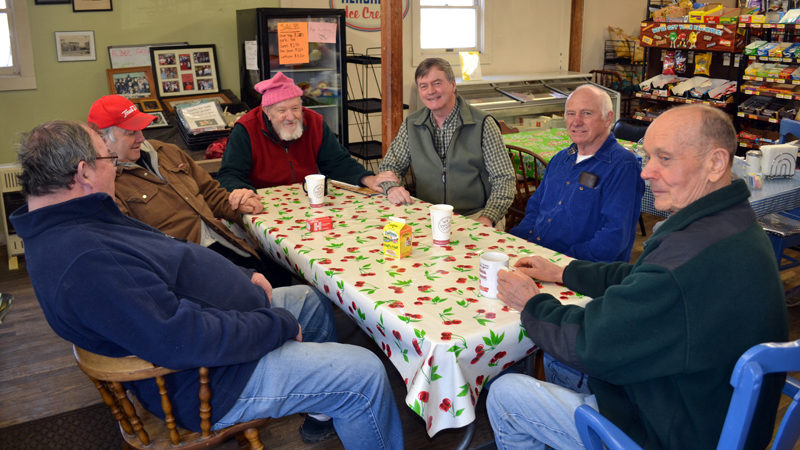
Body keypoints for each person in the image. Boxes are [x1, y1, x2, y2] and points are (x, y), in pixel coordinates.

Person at [10, 120, 404, 448]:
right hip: (210, 378)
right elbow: (181, 338)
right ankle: (342, 395)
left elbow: (170, 257)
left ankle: (322, 408)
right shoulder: (86, 259)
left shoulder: (76, 220)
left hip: (219, 332)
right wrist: (277, 325)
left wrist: (241, 277)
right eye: (108, 158)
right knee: (363, 373)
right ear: (82, 173)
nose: (115, 166)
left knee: (308, 299)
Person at [487, 105, 789, 449]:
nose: (646, 172)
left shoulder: (685, 260)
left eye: (665, 158)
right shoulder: (729, 222)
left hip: (669, 430)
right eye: (647, 157)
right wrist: (564, 271)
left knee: (506, 393)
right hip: (709, 405)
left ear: (716, 163)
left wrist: (531, 301)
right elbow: (643, 277)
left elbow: (590, 343)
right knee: (559, 353)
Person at [87, 95, 291, 288]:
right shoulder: (108, 185)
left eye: (140, 128)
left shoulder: (167, 151)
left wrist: (239, 204)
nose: (141, 137)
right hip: (190, 268)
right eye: (130, 132)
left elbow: (211, 193)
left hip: (227, 245)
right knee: (285, 297)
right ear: (102, 139)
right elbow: (138, 246)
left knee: (284, 269)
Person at [509, 84, 644, 263]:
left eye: (587, 113)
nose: (576, 121)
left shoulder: (623, 166)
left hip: (580, 271)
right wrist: (517, 244)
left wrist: (559, 263)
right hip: (539, 257)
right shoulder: (560, 159)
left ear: (608, 118)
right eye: (571, 113)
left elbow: (613, 239)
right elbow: (535, 209)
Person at [378, 57, 515, 229]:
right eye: (424, 86)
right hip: (427, 215)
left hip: (475, 215)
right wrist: (392, 188)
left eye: (437, 83)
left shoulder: (482, 124)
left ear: (452, 84)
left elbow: (505, 179)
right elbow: (389, 166)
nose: (431, 91)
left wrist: (489, 217)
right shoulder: (412, 124)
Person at [217, 72, 396, 194]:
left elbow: (337, 162)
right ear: (266, 112)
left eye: (295, 108)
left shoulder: (315, 122)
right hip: (261, 203)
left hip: (308, 200)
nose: (291, 117)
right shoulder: (246, 129)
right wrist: (243, 193)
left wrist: (366, 178)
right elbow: (230, 174)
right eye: (281, 111)